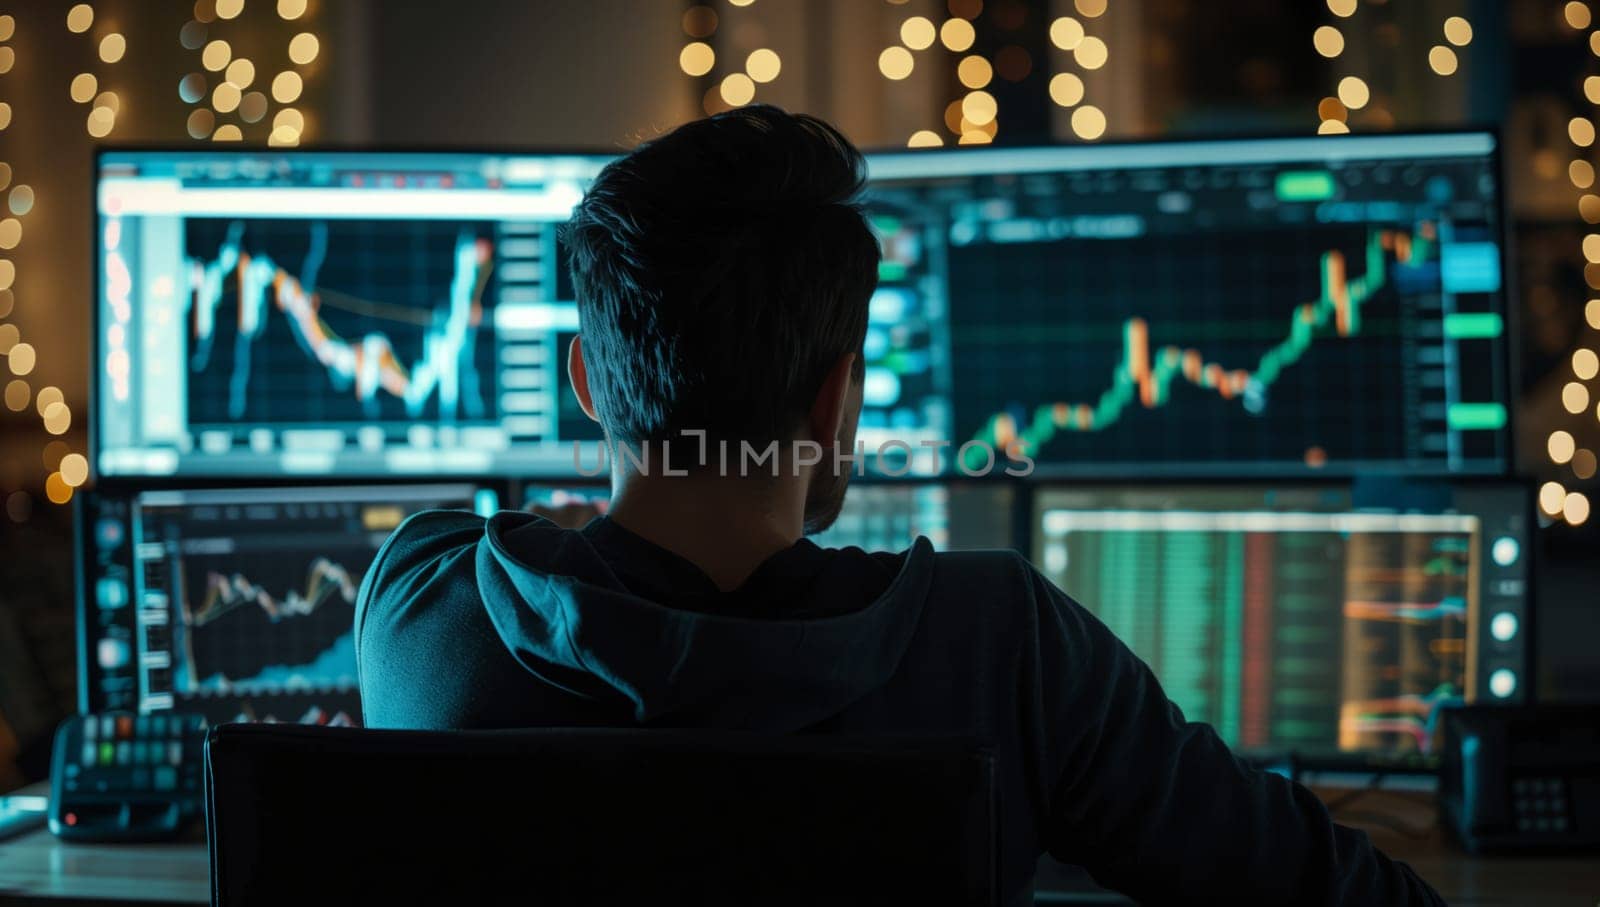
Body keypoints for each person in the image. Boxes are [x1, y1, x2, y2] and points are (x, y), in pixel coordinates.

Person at [355, 105, 1445, 905]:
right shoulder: (999, 643)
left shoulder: (421, 600)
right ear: (836, 394)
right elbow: (1310, 887)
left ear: (584, 382)